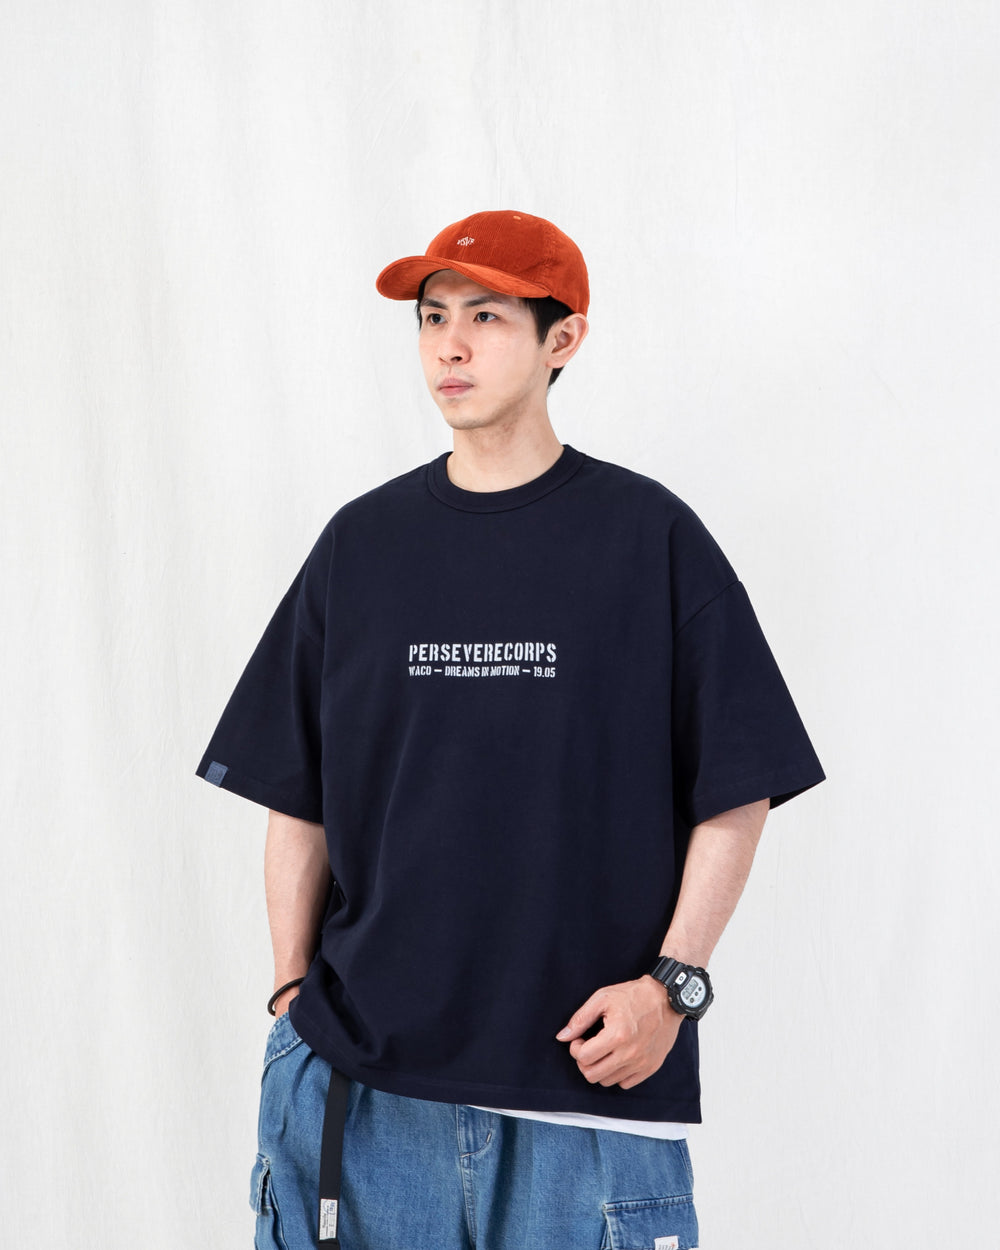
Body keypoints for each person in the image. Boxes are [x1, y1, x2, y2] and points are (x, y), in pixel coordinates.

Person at [196, 209, 825, 1250]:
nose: (449, 345)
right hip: (363, 1086)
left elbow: (739, 782)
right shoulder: (361, 545)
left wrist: (672, 988)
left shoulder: (649, 538)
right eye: (432, 317)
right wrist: (289, 991)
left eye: (485, 316)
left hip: (585, 1091)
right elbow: (295, 791)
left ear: (560, 338)